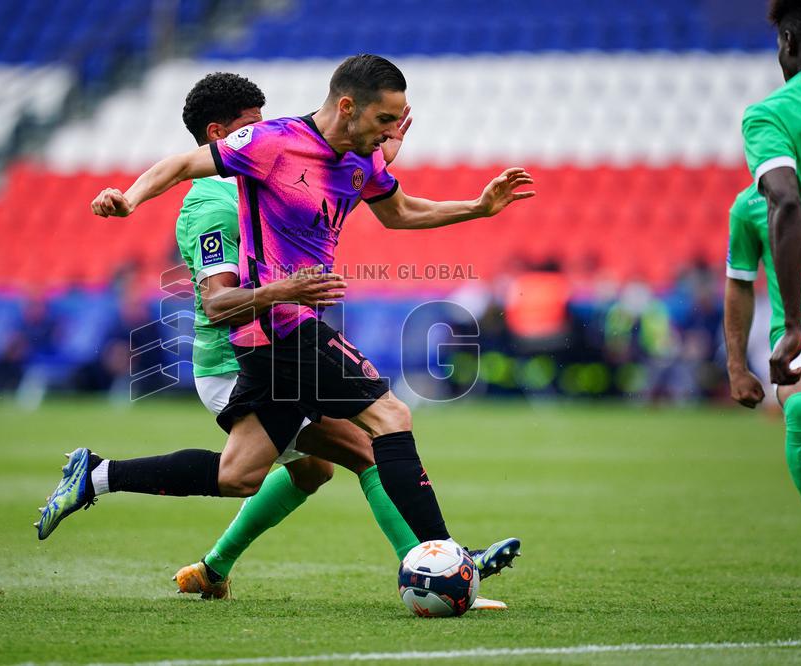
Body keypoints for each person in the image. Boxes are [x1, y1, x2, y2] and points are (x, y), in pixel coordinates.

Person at [39, 55, 532, 590]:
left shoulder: (345, 155)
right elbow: (217, 295)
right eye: (384, 121)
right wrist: (129, 199)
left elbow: (399, 211)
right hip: (263, 337)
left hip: (275, 333)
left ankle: (103, 479)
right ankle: (449, 563)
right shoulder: (227, 190)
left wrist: (476, 207)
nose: (393, 133)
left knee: (243, 475)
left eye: (397, 122)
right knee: (385, 424)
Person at [738, 0, 801, 500]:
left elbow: (784, 198)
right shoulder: (744, 210)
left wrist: (796, 324)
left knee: (800, 408)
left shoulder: (772, 115)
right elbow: (736, 281)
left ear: (789, 43)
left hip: (800, 314)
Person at [724, 183, 801, 500]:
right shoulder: (749, 205)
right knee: (800, 408)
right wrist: (736, 365)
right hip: (796, 328)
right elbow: (739, 282)